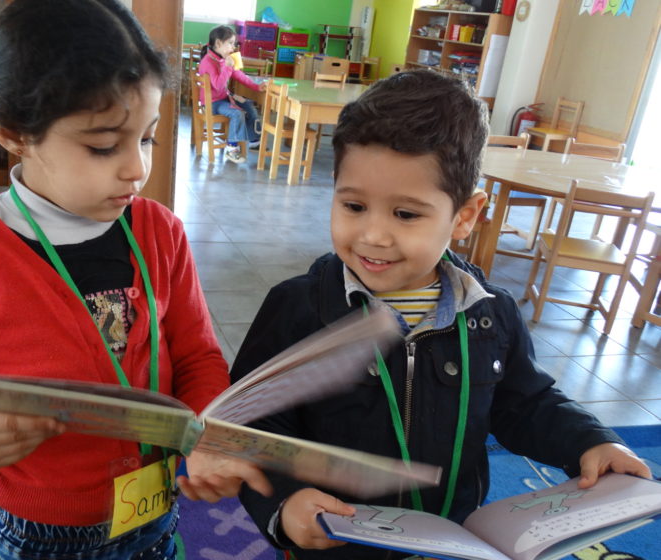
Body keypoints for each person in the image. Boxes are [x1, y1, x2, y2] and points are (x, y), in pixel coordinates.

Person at [0, 1, 269, 558]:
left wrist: (205, 433)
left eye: (148, 138)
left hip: (153, 509)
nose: (137, 168)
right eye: (104, 145)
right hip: (40, 531)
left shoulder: (160, 231)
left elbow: (197, 358)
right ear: (15, 134)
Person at [229, 70, 652, 560]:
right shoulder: (297, 308)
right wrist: (284, 504)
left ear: (466, 216)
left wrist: (589, 441)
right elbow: (252, 430)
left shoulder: (490, 315)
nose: (373, 235)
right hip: (337, 541)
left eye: (405, 214)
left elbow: (527, 402)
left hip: (452, 539)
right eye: (354, 205)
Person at [198, 25, 265, 164]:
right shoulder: (208, 61)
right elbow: (218, 85)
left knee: (247, 104)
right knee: (237, 113)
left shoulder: (222, 58)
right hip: (212, 103)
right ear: (218, 43)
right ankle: (231, 149)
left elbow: (239, 75)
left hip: (223, 98)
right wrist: (227, 67)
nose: (233, 47)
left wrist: (257, 87)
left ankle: (253, 141)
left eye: (233, 44)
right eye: (230, 43)